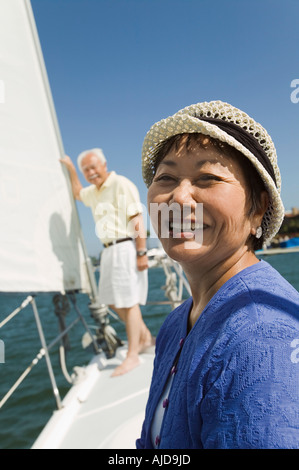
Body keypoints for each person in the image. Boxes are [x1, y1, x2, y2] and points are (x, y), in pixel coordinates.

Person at [136, 100, 299, 449]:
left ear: (258, 209)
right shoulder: (177, 322)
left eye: (207, 178)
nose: (179, 197)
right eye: (166, 177)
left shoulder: (263, 338)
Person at [61, 148, 153, 377]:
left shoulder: (120, 184)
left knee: (128, 302)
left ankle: (133, 355)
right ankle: (144, 336)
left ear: (103, 165)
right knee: (111, 300)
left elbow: (136, 218)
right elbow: (77, 193)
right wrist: (72, 169)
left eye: (93, 167)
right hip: (107, 252)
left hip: (124, 247)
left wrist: (141, 252)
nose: (91, 173)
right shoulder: (94, 192)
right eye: (86, 170)